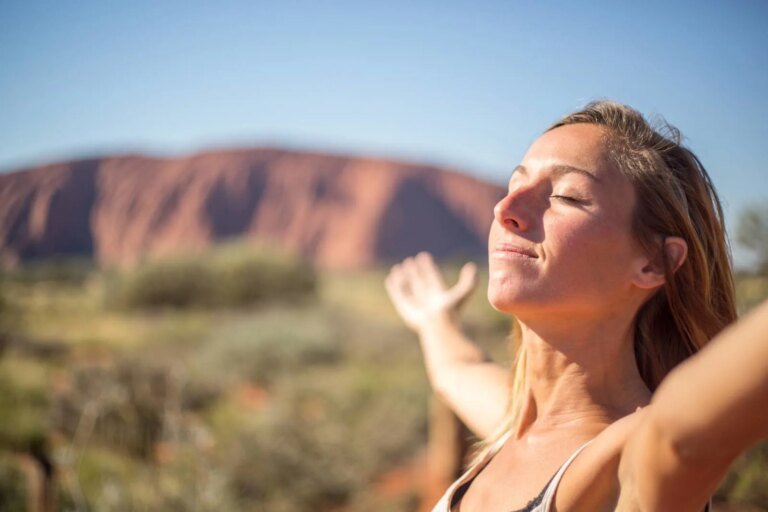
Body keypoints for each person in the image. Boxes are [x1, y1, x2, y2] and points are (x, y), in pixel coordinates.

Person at [384, 100, 768, 511]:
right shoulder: (514, 426)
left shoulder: (629, 458)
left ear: (655, 262)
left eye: (566, 196)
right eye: (515, 185)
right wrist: (435, 319)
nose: (504, 210)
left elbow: (683, 434)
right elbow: (457, 369)